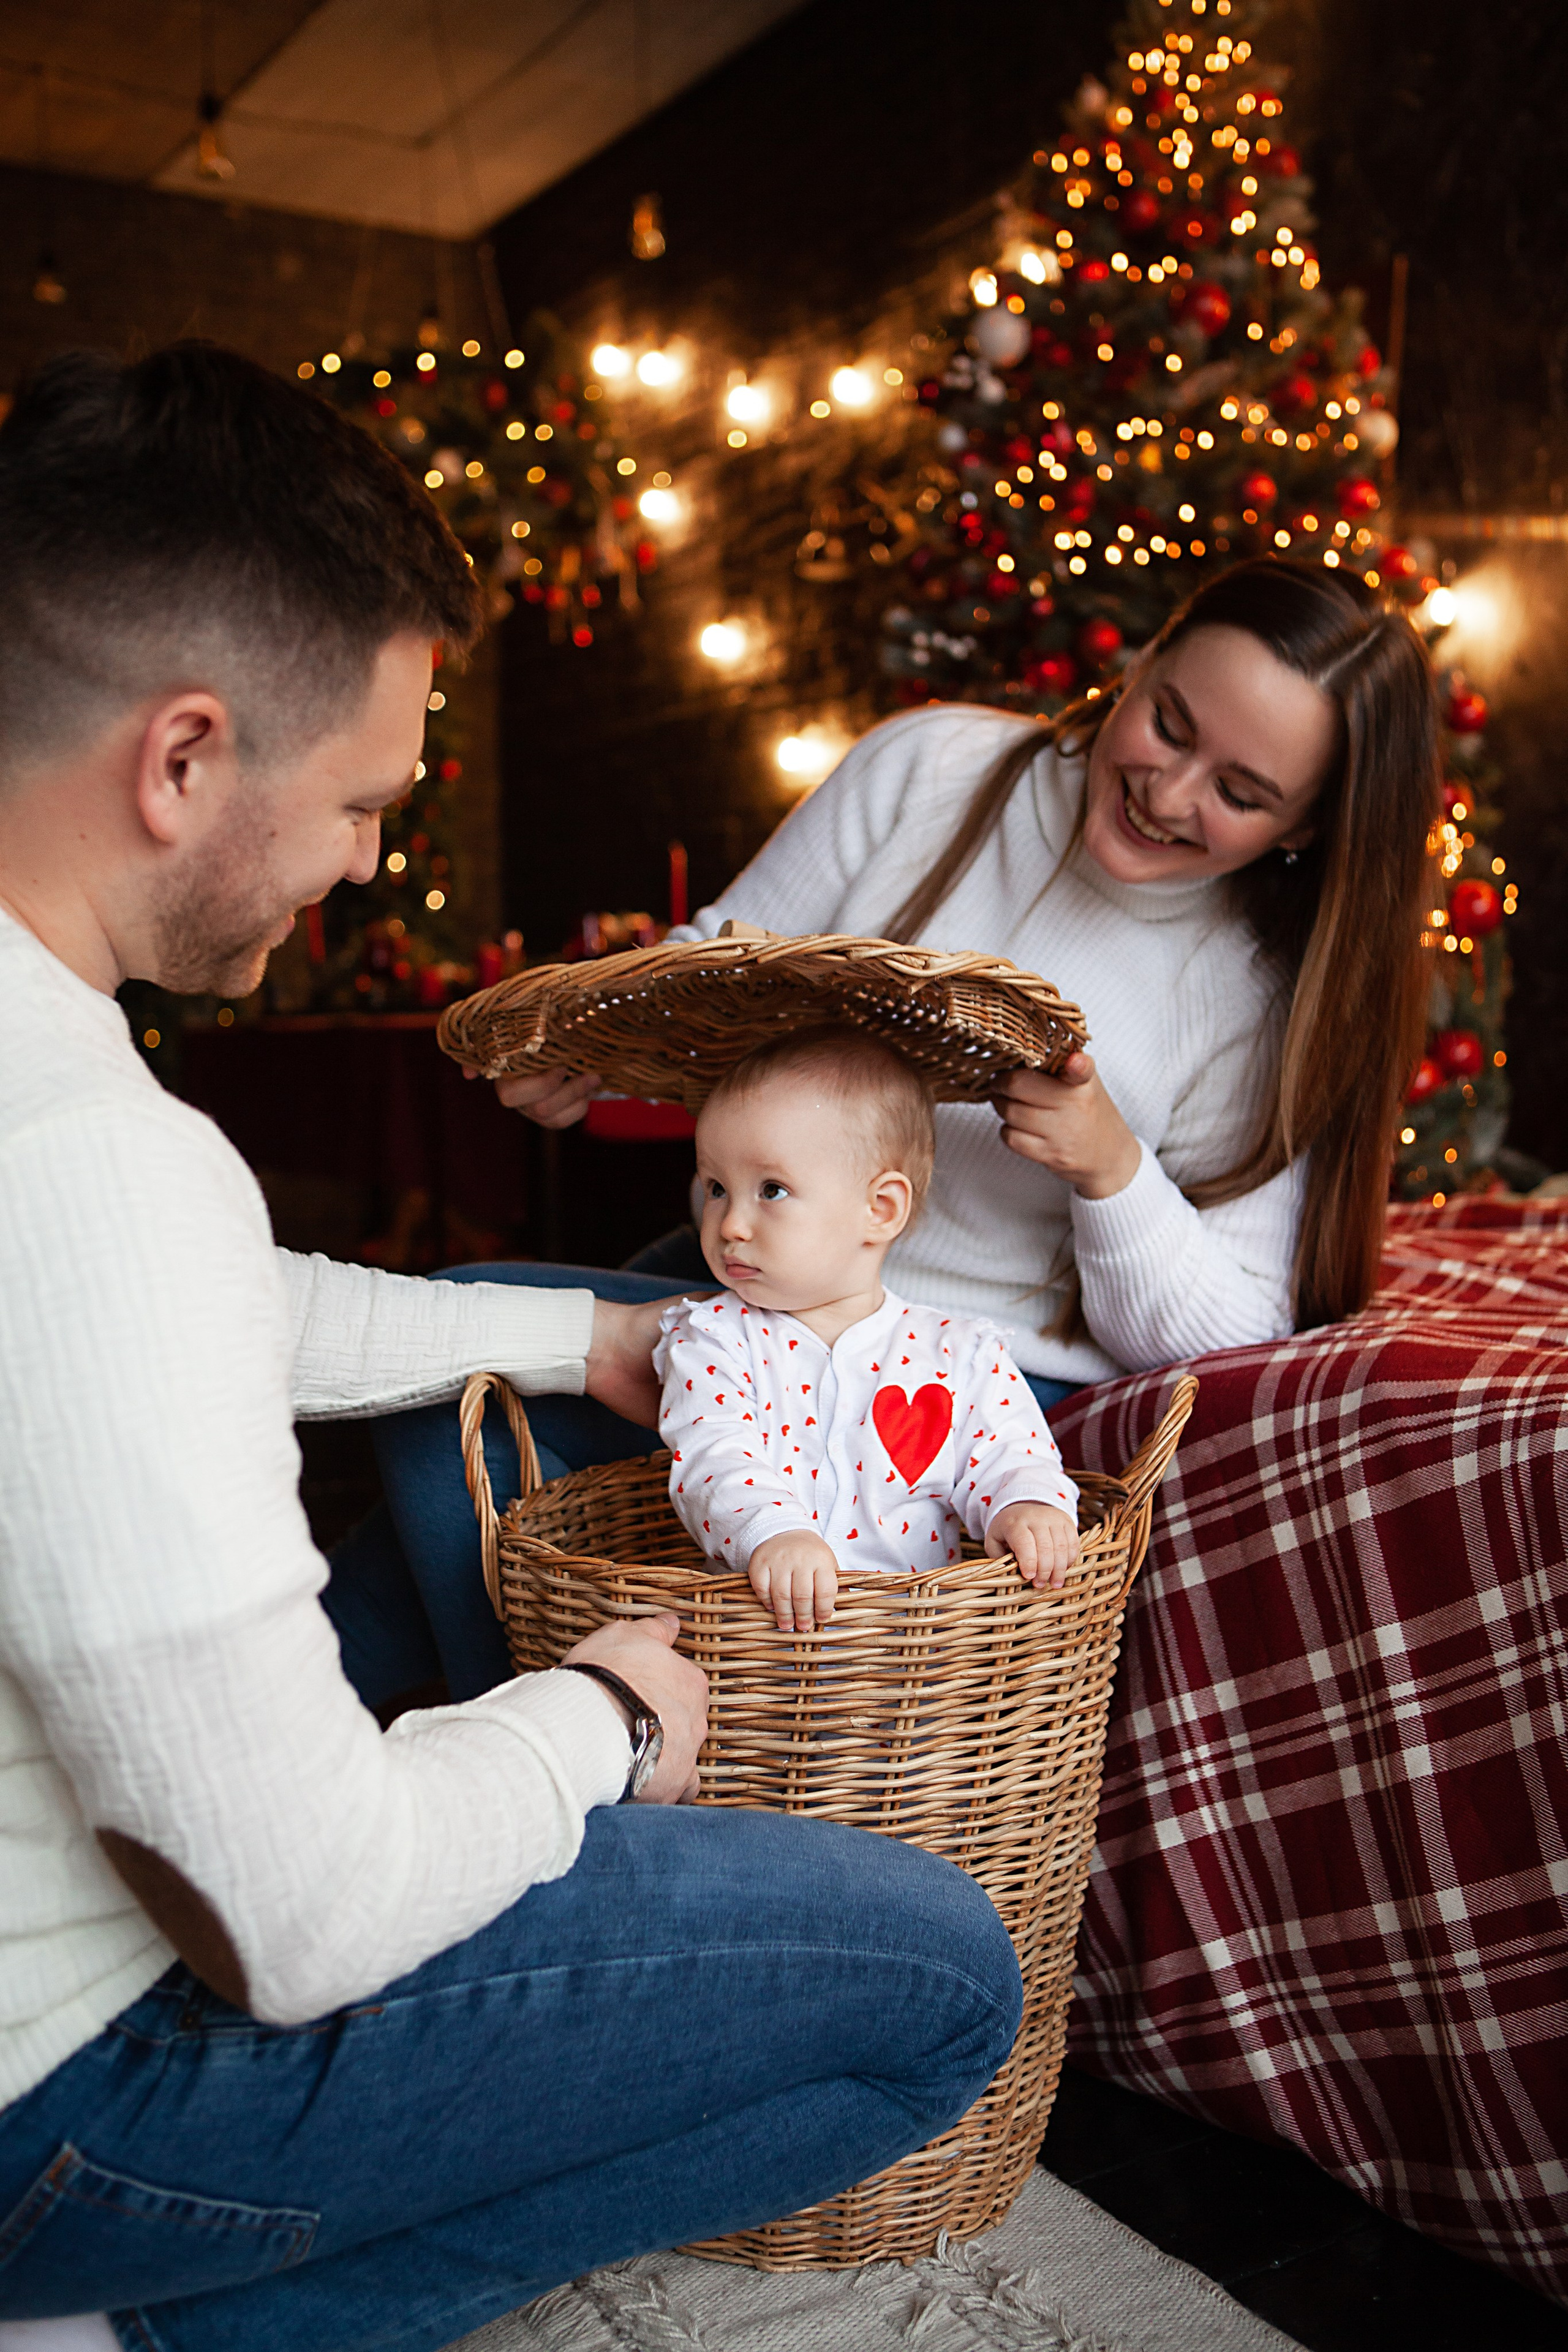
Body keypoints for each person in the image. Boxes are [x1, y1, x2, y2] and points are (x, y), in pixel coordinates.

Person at [0, 344, 1023, 2352]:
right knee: (948, 1988)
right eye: (366, 800)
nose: (371, 861)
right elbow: (300, 1920)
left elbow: (245, 1309)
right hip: (62, 2103)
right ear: (185, 759)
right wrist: (606, 1720)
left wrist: (582, 1340)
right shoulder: (87, 1165)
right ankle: (137, 2323)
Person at [353, 559, 1438, 1696]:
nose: (1170, 793)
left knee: (454, 1428)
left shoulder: (1265, 993)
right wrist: (596, 1036)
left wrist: (1112, 1171)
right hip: (753, 1277)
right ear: (1144, 660)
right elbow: (728, 959)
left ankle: (489, 1773)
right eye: (1168, 723)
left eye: (1242, 792)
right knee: (451, 1358)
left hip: (959, 1379)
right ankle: (379, 1772)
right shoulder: (934, 768)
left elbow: (1237, 1335)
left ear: (1309, 826)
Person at [658, 1027, 1080, 1633]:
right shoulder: (713, 1339)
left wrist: (1026, 1505)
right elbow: (713, 1456)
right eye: (717, 1188)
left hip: (916, 1655)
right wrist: (774, 1532)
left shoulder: (956, 1352)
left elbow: (1008, 1450)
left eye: (771, 1190)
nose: (730, 1224)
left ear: (878, 1209)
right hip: (760, 1654)